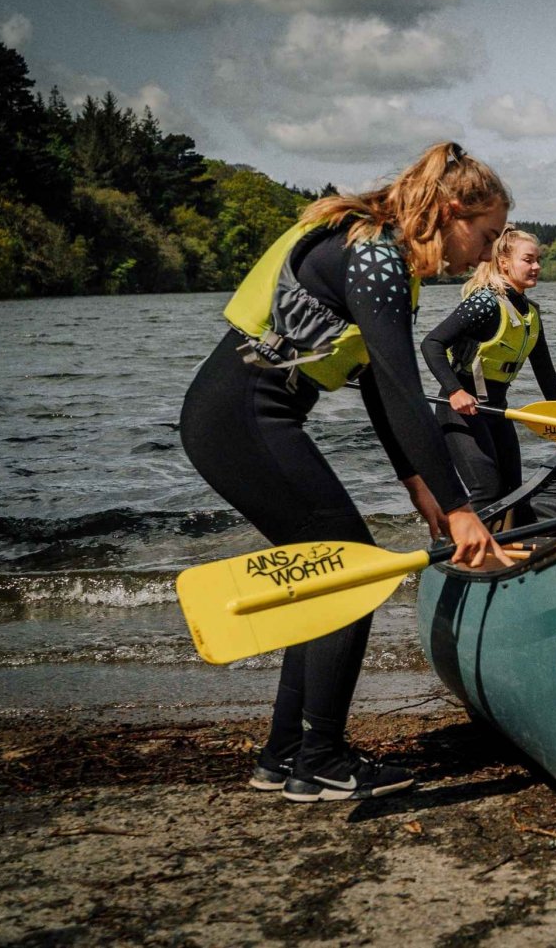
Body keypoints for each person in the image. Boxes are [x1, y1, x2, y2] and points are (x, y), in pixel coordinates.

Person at [180, 141, 511, 802]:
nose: (489, 252)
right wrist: (459, 505)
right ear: (451, 211)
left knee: (323, 567)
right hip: (240, 418)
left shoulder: (388, 259)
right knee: (345, 565)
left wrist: (423, 489)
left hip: (241, 419)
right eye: (488, 233)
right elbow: (396, 386)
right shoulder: (376, 257)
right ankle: (323, 757)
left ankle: (284, 753)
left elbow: (373, 386)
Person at [420, 226, 556, 515]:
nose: (537, 266)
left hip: (496, 411)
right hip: (460, 411)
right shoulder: (484, 302)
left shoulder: (531, 313)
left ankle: (507, 549)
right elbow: (432, 343)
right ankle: (456, 551)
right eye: (528, 260)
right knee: (487, 490)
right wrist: (455, 390)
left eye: (538, 260)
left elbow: (546, 374)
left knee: (512, 494)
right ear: (504, 263)